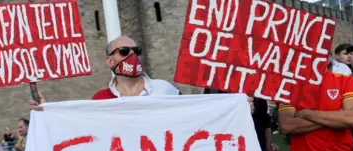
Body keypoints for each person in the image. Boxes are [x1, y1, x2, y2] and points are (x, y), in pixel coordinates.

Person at [29, 36, 255, 110]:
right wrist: (46, 111)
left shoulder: (164, 89)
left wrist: (235, 105)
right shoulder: (100, 101)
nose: (132, 56)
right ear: (110, 61)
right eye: (124, 51)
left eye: (136, 50)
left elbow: (196, 113)